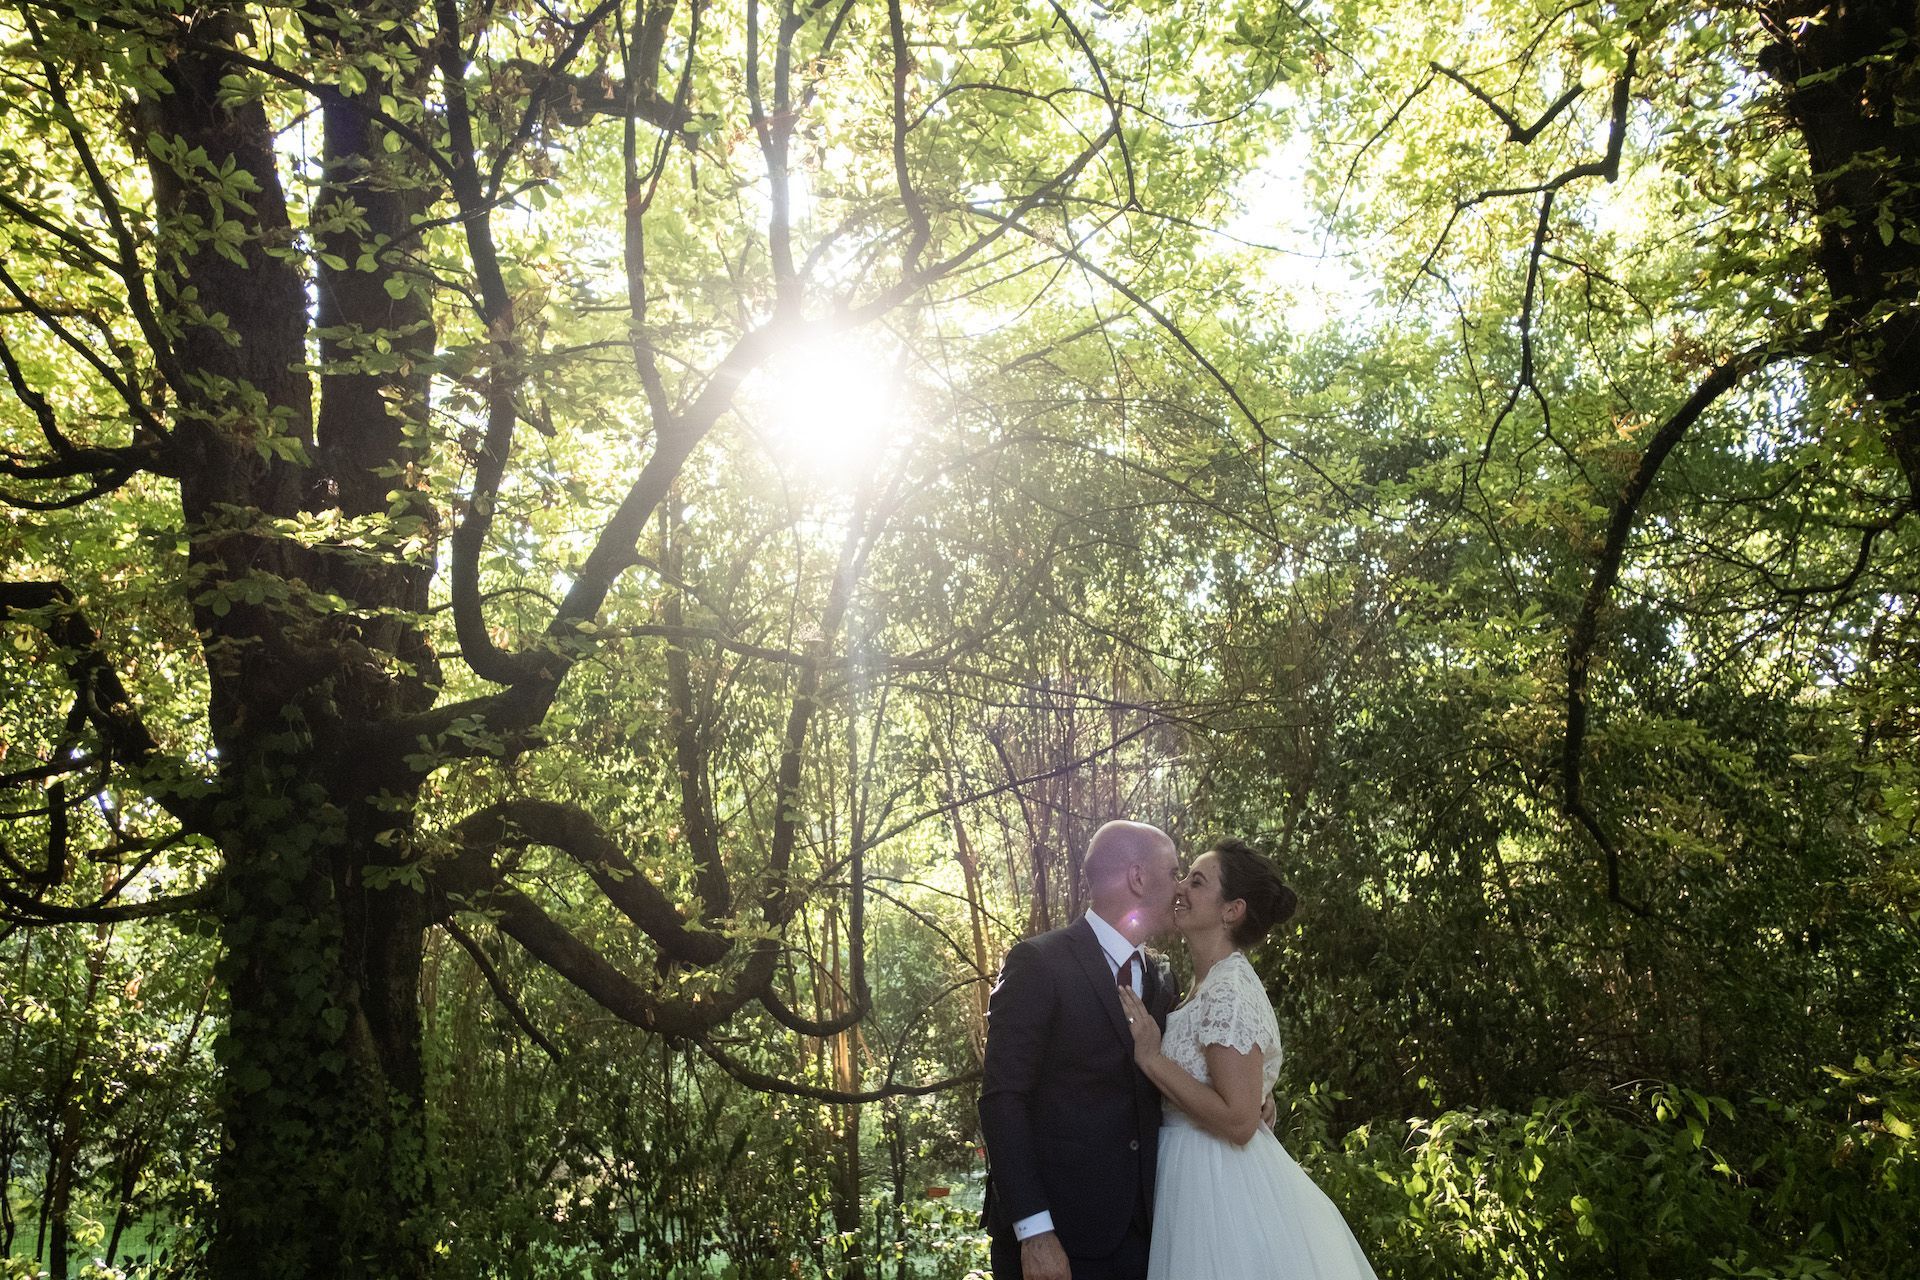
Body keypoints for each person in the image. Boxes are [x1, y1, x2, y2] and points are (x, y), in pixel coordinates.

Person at [1116, 837, 1379, 1280]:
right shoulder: (1204, 985)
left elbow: (1238, 1122)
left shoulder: (1228, 991)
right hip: (1191, 1175)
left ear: (1231, 910)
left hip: (1218, 1189)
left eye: (1196, 882)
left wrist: (1152, 1059)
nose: (1180, 888)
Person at [977, 820, 1184, 1280]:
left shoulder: (1161, 978)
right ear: (1137, 877)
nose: (1181, 885)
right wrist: (1034, 1233)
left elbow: (1173, 1077)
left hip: (1146, 1236)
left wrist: (1252, 1099)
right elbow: (1002, 1100)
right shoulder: (1039, 962)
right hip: (1059, 1245)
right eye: (1174, 872)